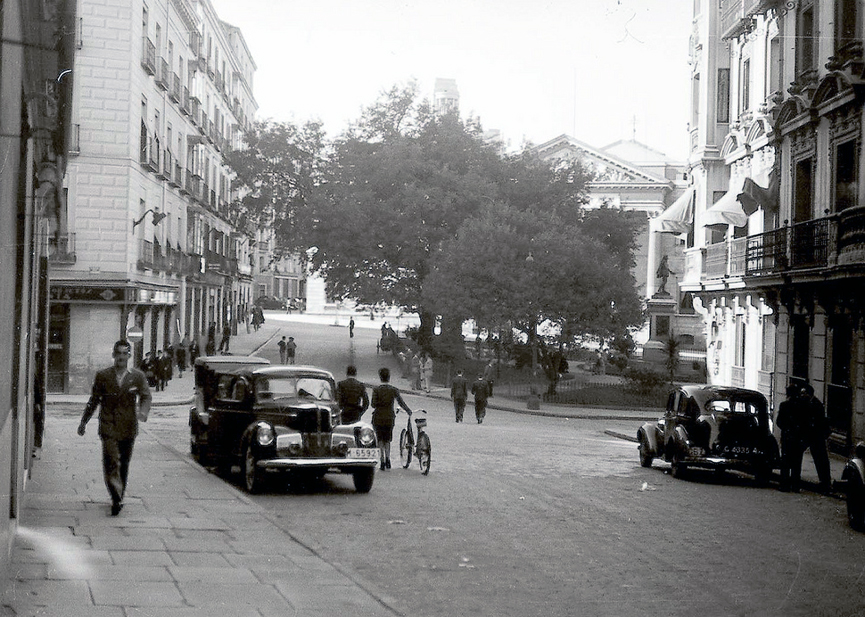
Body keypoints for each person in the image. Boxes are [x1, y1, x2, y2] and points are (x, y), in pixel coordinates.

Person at [77, 340, 152, 516]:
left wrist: (143, 412)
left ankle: (119, 494)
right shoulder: (103, 376)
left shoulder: (138, 376)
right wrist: (84, 422)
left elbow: (146, 396)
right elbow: (94, 400)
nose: (121, 357)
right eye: (118, 353)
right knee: (111, 460)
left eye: (125, 353)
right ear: (113, 355)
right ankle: (116, 497)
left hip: (128, 426)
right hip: (108, 425)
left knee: (124, 463)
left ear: (129, 356)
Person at [371, 367, 412, 470]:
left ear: (380, 377)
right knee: (387, 439)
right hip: (389, 417)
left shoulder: (376, 390)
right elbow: (401, 402)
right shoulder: (393, 390)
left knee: (380, 439)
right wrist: (408, 410)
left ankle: (382, 460)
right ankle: (388, 459)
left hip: (378, 417)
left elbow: (373, 404)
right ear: (389, 378)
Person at [801, 382, 833, 493]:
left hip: (816, 436)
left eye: (803, 393)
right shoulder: (808, 403)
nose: (802, 395)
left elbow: (817, 422)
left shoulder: (816, 404)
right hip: (812, 436)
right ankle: (824, 481)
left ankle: (825, 482)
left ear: (808, 394)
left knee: (821, 459)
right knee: (819, 459)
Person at [776, 383, 805, 492]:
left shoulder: (784, 405)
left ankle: (784, 485)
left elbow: (779, 422)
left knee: (786, 462)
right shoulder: (803, 405)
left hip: (788, 437)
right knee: (797, 463)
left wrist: (786, 428)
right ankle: (795, 485)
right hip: (799, 437)